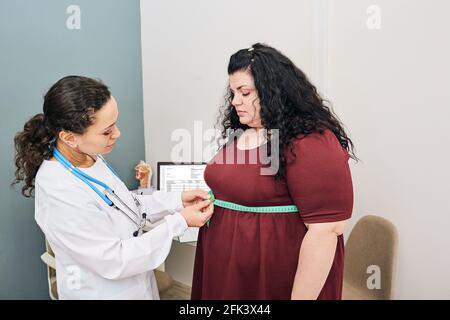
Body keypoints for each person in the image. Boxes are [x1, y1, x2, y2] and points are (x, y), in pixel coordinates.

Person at [12, 75, 213, 299]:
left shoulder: (90, 157)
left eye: (115, 124)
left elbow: (124, 204)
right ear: (69, 137)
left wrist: (177, 201)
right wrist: (179, 222)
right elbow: (114, 260)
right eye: (107, 131)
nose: (117, 134)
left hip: (137, 285)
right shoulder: (58, 190)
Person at [192, 43, 355, 300]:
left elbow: (326, 232)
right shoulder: (244, 133)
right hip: (225, 270)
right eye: (233, 92)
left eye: (244, 92)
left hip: (274, 277)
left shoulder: (311, 142)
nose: (235, 101)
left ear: (273, 92)